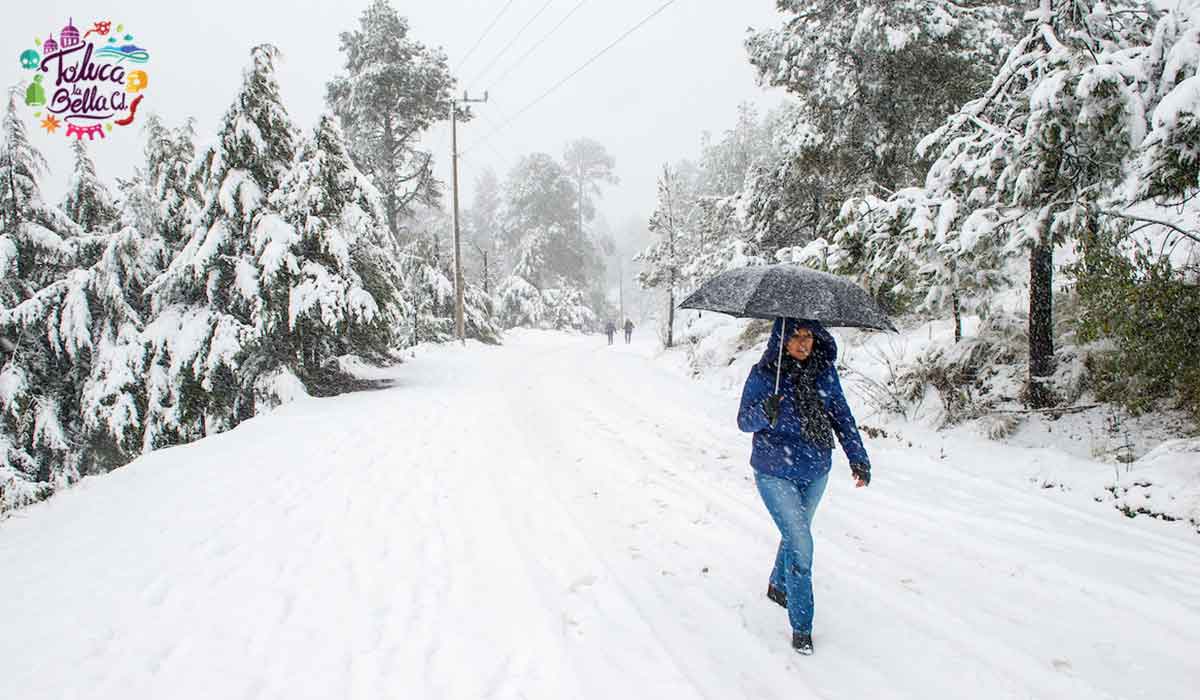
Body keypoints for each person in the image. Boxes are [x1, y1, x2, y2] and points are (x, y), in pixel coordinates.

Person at [737, 317, 871, 656]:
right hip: (773, 471)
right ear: (781, 340)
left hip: (816, 470)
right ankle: (802, 626)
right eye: (795, 336)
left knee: (795, 532)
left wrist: (858, 458)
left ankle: (777, 584)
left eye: (808, 335)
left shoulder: (824, 373)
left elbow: (841, 416)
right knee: (800, 543)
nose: (802, 343)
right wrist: (765, 412)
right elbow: (743, 421)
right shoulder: (764, 375)